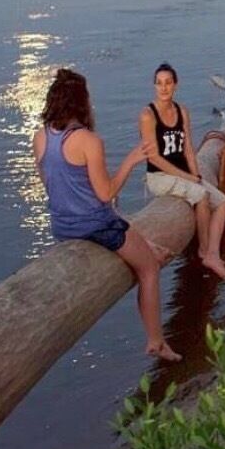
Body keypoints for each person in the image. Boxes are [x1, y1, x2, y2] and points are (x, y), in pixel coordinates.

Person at [33, 68, 180, 362]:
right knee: (149, 268)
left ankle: (146, 245)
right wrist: (131, 160)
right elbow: (105, 194)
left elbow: (53, 186)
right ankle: (155, 340)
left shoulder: (41, 137)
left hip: (62, 226)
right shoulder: (88, 140)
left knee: (125, 224)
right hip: (95, 227)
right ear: (82, 102)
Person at [139, 62, 225, 280]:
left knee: (223, 202)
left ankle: (212, 253)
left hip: (181, 175)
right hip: (159, 177)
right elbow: (154, 158)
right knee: (200, 195)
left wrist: (195, 174)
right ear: (154, 86)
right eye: (159, 83)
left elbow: (189, 147)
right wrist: (188, 178)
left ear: (175, 85)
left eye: (168, 83)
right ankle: (203, 251)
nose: (164, 88)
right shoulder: (148, 115)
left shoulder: (181, 111)